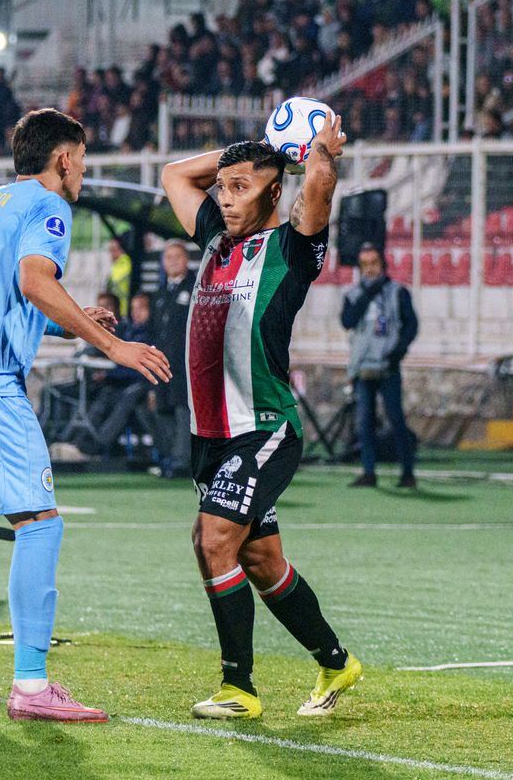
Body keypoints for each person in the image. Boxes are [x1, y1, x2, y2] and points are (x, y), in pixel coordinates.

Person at [0, 108, 169, 721]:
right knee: (41, 523)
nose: (83, 168)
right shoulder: (48, 208)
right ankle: (32, 687)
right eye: (81, 157)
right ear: (62, 158)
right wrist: (115, 346)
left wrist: (74, 320)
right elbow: (32, 280)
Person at [160, 115, 361, 719]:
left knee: (212, 538)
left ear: (277, 191)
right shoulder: (215, 239)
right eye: (221, 187)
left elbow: (319, 191)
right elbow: (174, 173)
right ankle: (335, 661)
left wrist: (317, 152)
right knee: (261, 560)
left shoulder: (291, 250)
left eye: (240, 188)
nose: (223, 197)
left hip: (265, 428)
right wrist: (250, 155)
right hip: (211, 437)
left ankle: (238, 687)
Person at [341, 246, 419, 488]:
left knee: (396, 420)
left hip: (388, 366)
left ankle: (407, 472)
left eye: (374, 262)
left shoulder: (398, 293)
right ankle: (369, 471)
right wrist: (367, 294)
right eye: (365, 264)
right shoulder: (353, 295)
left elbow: (411, 325)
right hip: (363, 369)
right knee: (365, 423)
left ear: (382, 264)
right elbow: (347, 321)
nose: (370, 268)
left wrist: (400, 350)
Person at [79, 291, 154, 456]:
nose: (136, 312)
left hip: (144, 383)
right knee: (105, 394)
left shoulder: (151, 333)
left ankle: (101, 443)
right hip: (125, 381)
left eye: (141, 308)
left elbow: (139, 368)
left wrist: (110, 375)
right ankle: (82, 441)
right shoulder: (129, 331)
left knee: (127, 396)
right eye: (133, 308)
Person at [151, 241, 195, 478]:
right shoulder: (160, 293)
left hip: (185, 363)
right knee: (162, 409)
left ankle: (182, 461)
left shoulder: (196, 286)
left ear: (186, 259)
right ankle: (170, 457)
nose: (173, 261)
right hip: (161, 362)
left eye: (177, 257)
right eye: (168, 258)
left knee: (182, 410)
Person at [104, 234, 132, 316]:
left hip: (122, 311)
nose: (111, 253)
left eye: (113, 249)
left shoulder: (122, 264)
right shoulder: (119, 264)